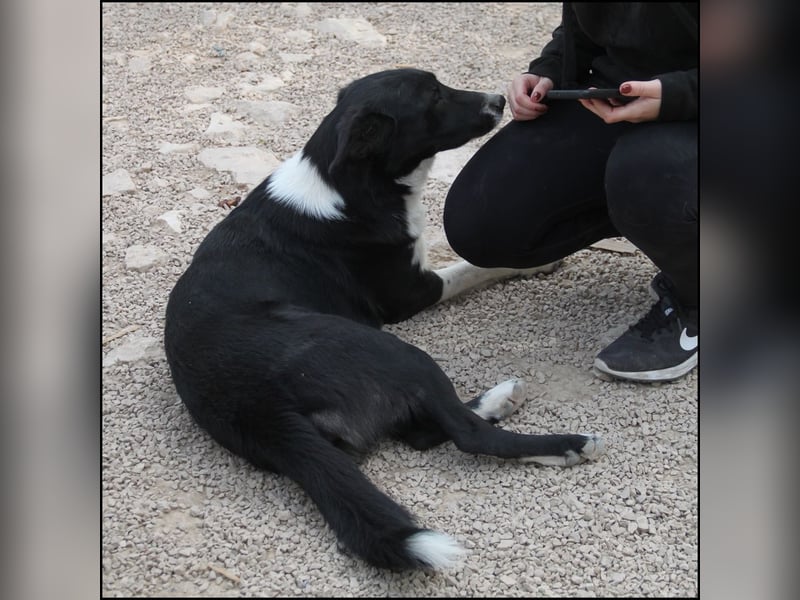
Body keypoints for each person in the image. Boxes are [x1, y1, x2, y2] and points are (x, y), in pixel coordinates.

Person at [443, 2, 698, 382]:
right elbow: (584, 26)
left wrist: (678, 94)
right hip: (623, 94)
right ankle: (662, 217)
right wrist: (549, 70)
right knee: (482, 222)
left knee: (646, 174)